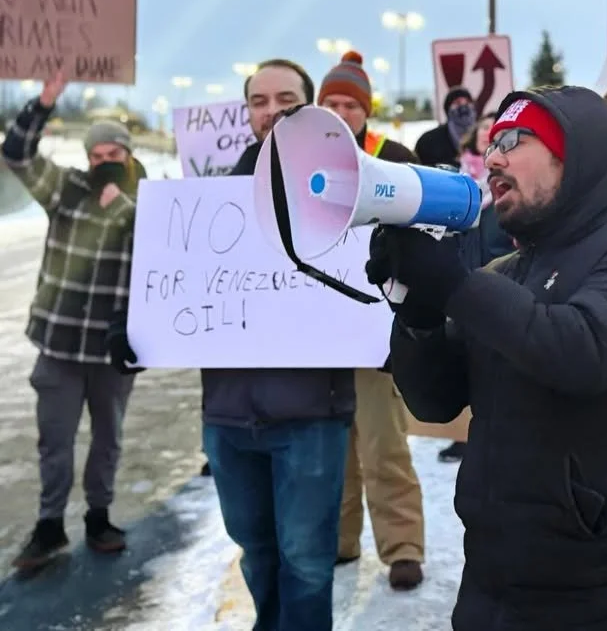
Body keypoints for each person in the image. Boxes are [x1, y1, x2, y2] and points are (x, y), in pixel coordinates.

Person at [366, 85, 607, 630]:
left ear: (573, 156)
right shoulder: (501, 275)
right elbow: (435, 401)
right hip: (492, 584)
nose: (493, 157)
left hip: (602, 597)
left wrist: (454, 284)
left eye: (515, 139)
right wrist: (414, 314)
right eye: (491, 144)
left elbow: (580, 352)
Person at [110, 58, 350, 631]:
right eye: (258, 101)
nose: (271, 112)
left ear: (309, 107)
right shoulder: (208, 204)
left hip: (311, 418)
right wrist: (135, 328)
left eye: (285, 99)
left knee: (309, 563)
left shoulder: (346, 193)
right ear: (246, 112)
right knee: (258, 553)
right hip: (228, 418)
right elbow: (175, 290)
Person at [3, 71, 141, 571]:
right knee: (54, 440)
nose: (107, 161)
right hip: (59, 345)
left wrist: (122, 209)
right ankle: (49, 524)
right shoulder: (65, 189)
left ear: (127, 156)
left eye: (115, 154)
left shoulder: (146, 201)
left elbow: (170, 254)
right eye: (99, 154)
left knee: (109, 438)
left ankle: (99, 516)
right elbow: (16, 154)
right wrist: (43, 101)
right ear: (89, 157)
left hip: (112, 350)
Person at [317, 51, 425, 590]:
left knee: (383, 439)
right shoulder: (297, 159)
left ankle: (402, 545)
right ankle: (339, 537)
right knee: (332, 444)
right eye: (330, 103)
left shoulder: (392, 157)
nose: (340, 112)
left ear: (365, 111)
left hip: (373, 324)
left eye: (349, 104)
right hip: (316, 330)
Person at [437, 110, 507, 465]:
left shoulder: (509, 180)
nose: (487, 136)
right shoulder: (457, 175)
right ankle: (462, 437)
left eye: (496, 132)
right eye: (483, 129)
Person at [415, 86, 476, 168]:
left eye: (468, 102)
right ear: (448, 109)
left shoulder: (482, 136)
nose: (464, 107)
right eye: (457, 103)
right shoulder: (429, 140)